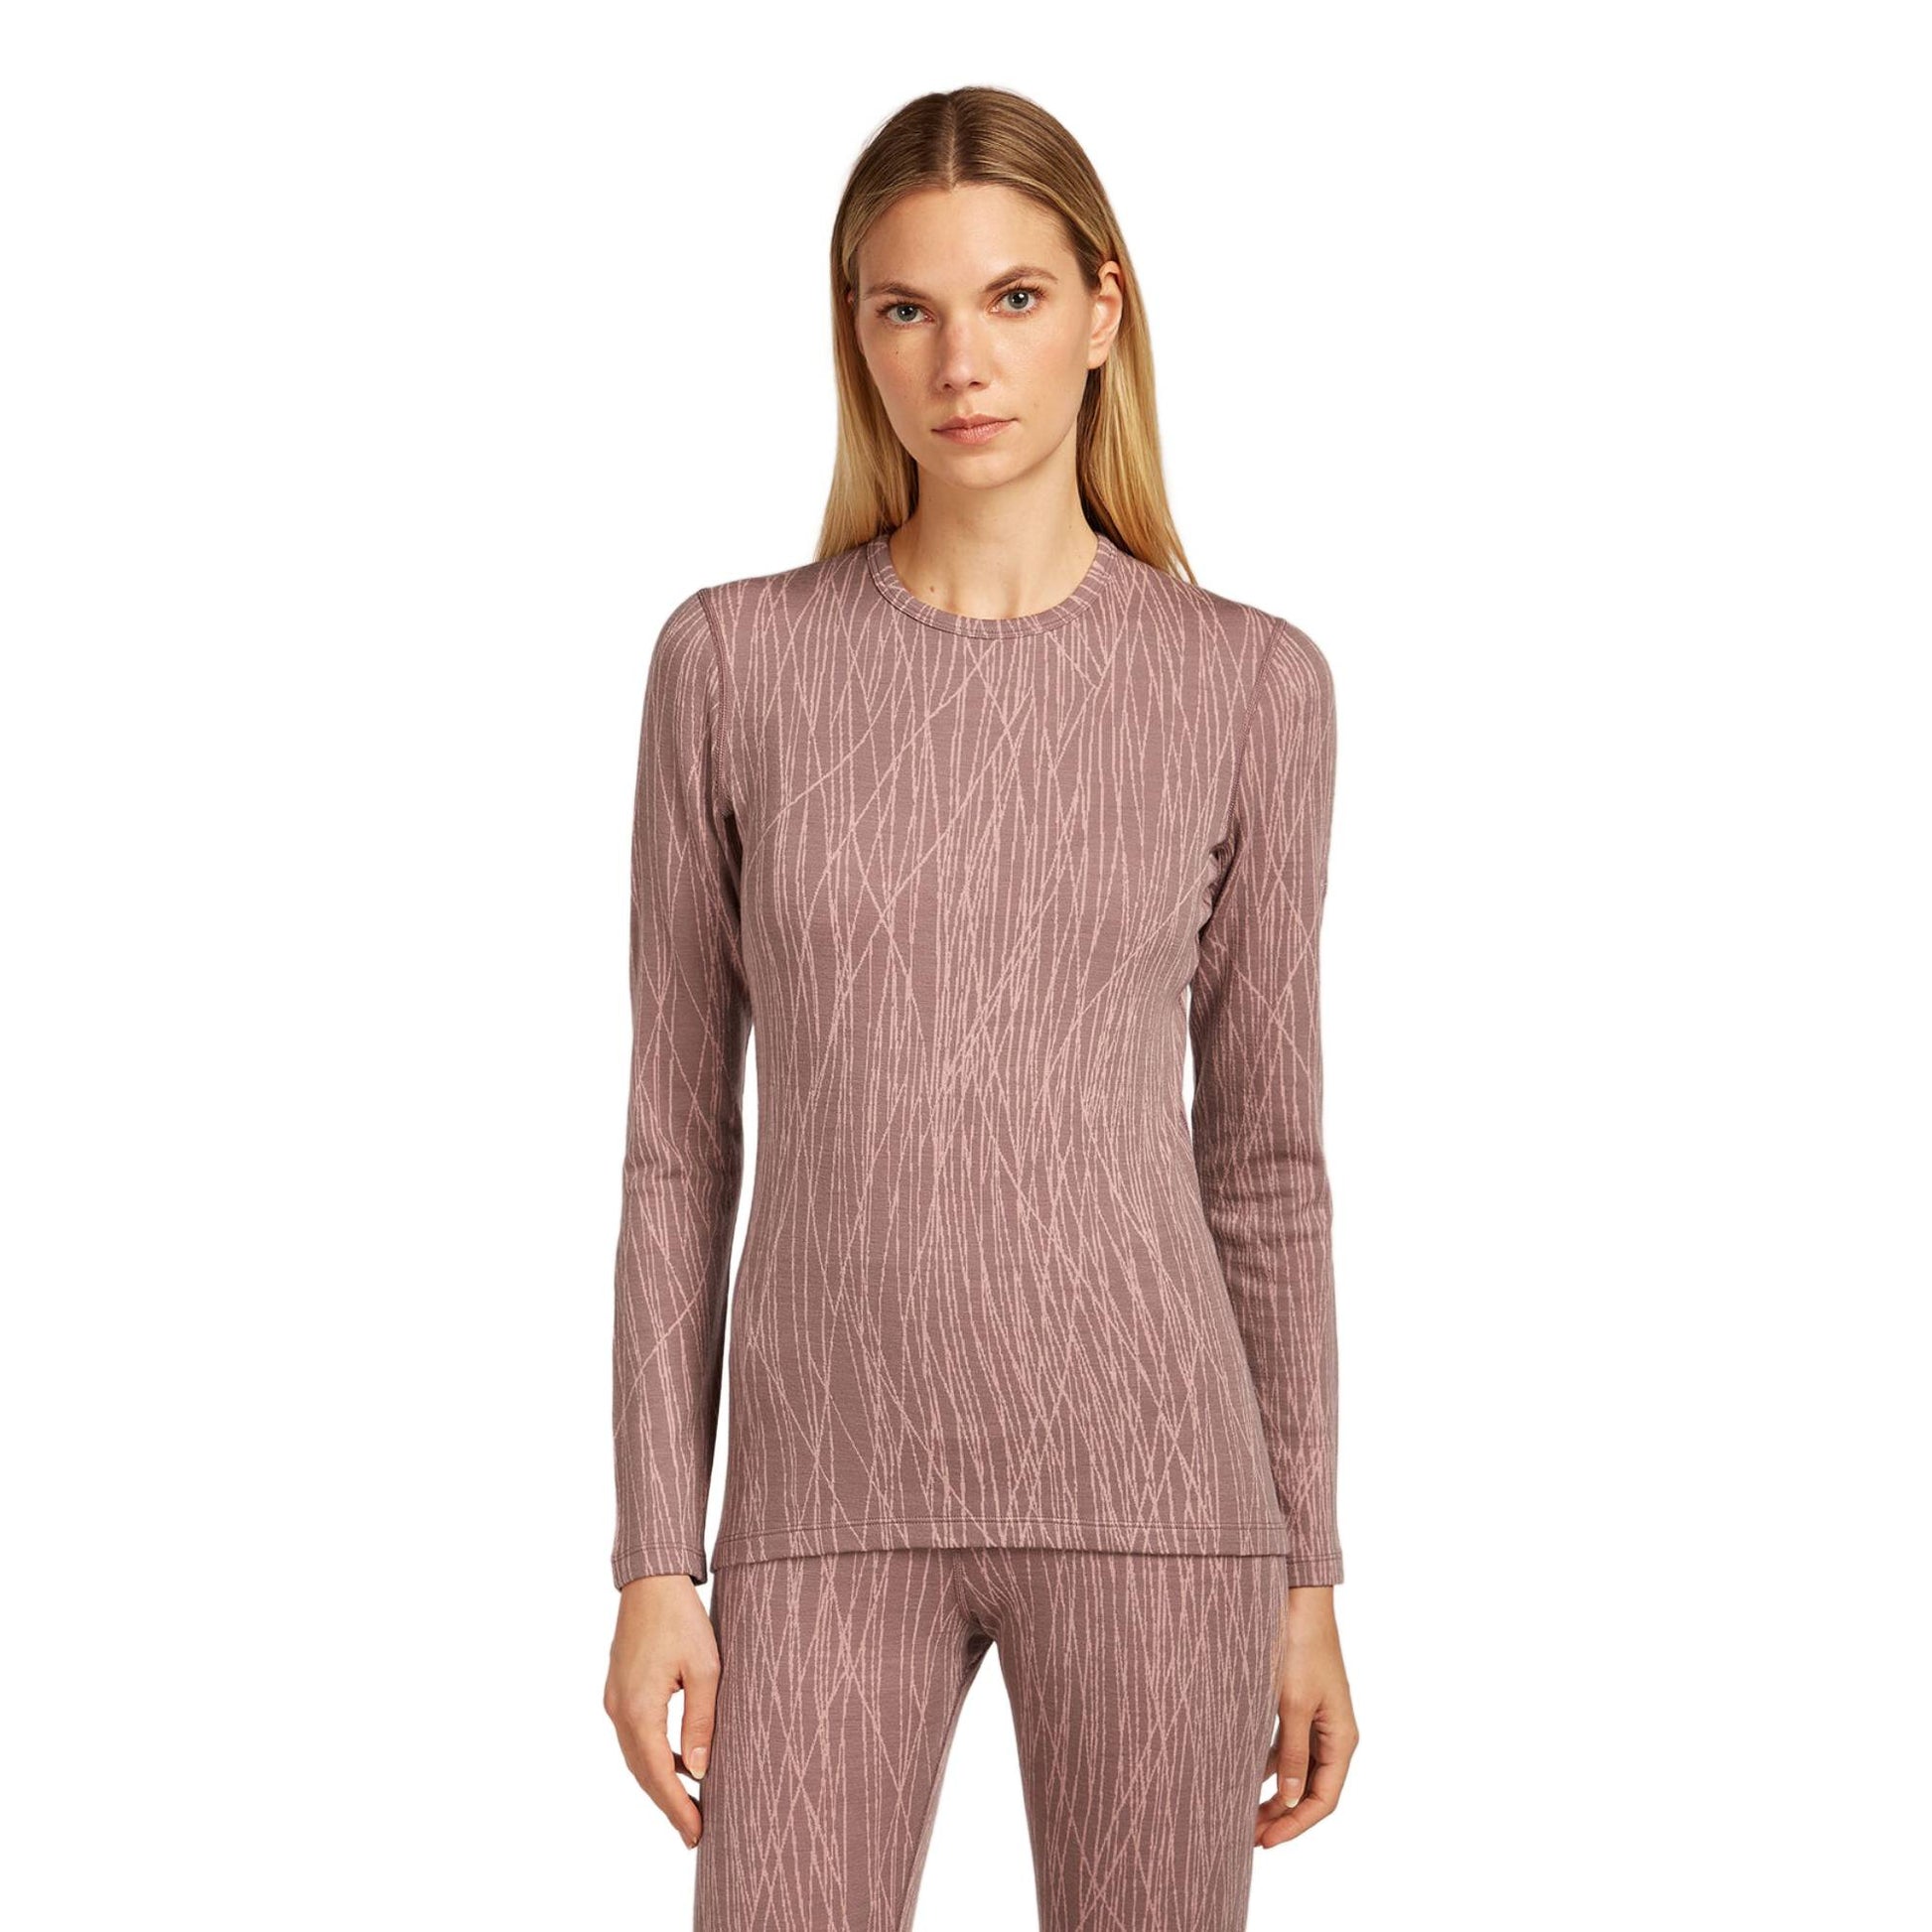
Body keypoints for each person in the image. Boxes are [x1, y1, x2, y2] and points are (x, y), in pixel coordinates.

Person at [602, 84, 1360, 1931]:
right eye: (907, 307)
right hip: (822, 1496)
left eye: (1013, 298)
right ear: (855, 332)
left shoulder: (1247, 686)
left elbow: (1265, 1163)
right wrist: (650, 1556)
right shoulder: (731, 664)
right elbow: (676, 1146)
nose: (961, 361)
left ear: (1103, 308)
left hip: (1158, 1492)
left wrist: (1306, 1571)